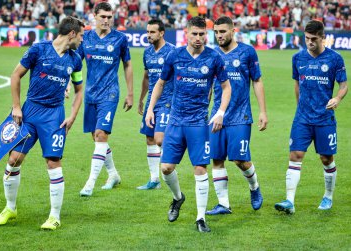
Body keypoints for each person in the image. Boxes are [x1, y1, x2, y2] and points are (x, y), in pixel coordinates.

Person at [0, 16, 85, 230]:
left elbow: (79, 90)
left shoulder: (75, 59)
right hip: (30, 112)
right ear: (71, 33)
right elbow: (16, 75)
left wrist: (72, 116)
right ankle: (10, 208)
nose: (81, 40)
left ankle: (54, 216)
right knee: (14, 159)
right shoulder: (38, 49)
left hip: (54, 116)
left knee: (53, 162)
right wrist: (16, 106)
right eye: (80, 35)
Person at [145, 16, 232, 232]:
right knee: (165, 168)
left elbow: (227, 87)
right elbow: (160, 83)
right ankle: (178, 197)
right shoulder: (175, 56)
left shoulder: (214, 58)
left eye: (202, 34)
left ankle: (200, 218)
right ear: (187, 33)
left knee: (200, 168)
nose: (198, 38)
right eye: (194, 34)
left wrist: (220, 112)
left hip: (198, 123)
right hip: (175, 121)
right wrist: (149, 109)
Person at [275, 20, 348, 214]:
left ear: (322, 37)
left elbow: (343, 85)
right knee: (295, 155)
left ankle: (328, 196)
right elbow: (297, 84)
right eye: (306, 39)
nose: (309, 43)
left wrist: (338, 98)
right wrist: (300, 107)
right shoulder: (298, 58)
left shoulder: (334, 59)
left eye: (313, 39)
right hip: (302, 119)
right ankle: (289, 201)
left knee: (326, 158)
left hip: (324, 118)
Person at [205, 16, 267, 216]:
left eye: (222, 31)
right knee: (216, 159)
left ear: (233, 30)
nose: (219, 35)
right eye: (216, 32)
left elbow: (257, 81)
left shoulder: (247, 52)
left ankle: (254, 187)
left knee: (240, 160)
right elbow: (208, 85)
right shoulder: (212, 54)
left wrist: (263, 111)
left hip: (241, 115)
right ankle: (223, 204)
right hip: (217, 115)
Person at [77, 2, 133, 196]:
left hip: (110, 94)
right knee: (95, 137)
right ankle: (113, 174)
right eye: (103, 17)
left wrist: (130, 93)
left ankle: (90, 183)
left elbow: (127, 65)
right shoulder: (86, 38)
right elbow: (76, 62)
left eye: (110, 17)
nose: (107, 20)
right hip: (90, 94)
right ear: (95, 16)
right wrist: (68, 84)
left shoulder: (120, 39)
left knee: (101, 135)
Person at [137, 19, 175, 190]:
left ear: (161, 33)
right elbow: (146, 77)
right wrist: (141, 99)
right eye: (147, 32)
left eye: (152, 32)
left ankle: (170, 168)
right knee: (150, 138)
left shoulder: (172, 52)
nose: (149, 35)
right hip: (152, 102)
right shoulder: (147, 53)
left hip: (168, 101)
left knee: (160, 139)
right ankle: (154, 180)